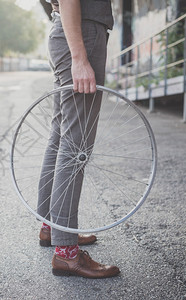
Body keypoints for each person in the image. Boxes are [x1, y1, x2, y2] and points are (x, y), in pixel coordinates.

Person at [37, 0, 120, 278]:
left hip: (65, 30)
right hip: (81, 34)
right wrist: (80, 58)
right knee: (76, 146)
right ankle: (66, 254)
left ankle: (54, 228)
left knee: (61, 137)